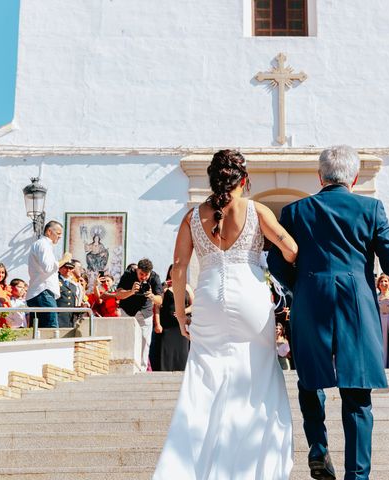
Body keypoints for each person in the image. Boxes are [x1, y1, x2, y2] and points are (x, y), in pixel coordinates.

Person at [268, 145, 389, 480]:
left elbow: (275, 263)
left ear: (319, 176)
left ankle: (318, 449)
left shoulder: (295, 212)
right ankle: (357, 475)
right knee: (357, 391)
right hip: (356, 303)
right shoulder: (370, 208)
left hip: (310, 300)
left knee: (310, 380)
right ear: (354, 178)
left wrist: (301, 286)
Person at [153, 149, 298, 479]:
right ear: (244, 180)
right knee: (257, 376)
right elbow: (290, 249)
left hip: (207, 297)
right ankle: (253, 464)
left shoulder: (192, 217)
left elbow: (179, 268)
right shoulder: (257, 210)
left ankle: (190, 466)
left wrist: (178, 313)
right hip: (250, 297)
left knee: (204, 381)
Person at [116, 258, 163, 372]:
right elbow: (118, 295)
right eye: (141, 274)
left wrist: (152, 295)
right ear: (137, 270)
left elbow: (160, 300)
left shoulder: (155, 277)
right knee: (125, 340)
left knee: (145, 342)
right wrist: (131, 291)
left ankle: (142, 369)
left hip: (145, 314)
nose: (143, 277)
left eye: (146, 275)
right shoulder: (128, 274)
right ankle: (125, 367)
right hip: (127, 312)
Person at [26, 221, 73, 328]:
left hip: (39, 292)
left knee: (38, 330)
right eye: (58, 233)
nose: (60, 236)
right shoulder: (43, 244)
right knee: (51, 328)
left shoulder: (42, 245)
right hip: (43, 291)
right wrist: (64, 260)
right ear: (49, 231)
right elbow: (47, 267)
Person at [149, 265, 192, 371]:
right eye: (173, 271)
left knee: (183, 351)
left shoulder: (187, 287)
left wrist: (184, 311)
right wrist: (157, 323)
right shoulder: (164, 287)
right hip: (167, 326)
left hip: (182, 325)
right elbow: (157, 307)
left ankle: (183, 371)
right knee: (167, 351)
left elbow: (194, 304)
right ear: (169, 273)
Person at [57, 261, 79, 328]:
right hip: (58, 316)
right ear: (60, 268)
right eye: (66, 268)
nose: (68, 270)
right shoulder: (55, 281)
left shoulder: (73, 284)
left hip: (70, 317)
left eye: (70, 268)